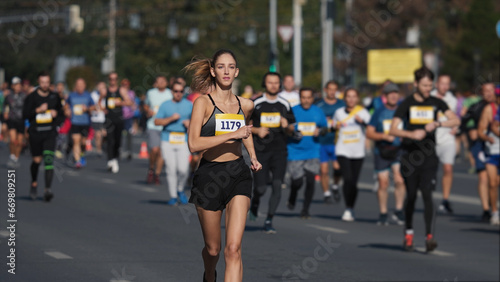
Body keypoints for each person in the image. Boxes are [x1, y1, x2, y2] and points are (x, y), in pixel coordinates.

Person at [185, 49, 262, 282]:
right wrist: (231, 135)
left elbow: (245, 131)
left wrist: (253, 155)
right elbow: (193, 144)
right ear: (212, 71)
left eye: (231, 67)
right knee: (213, 250)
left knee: (233, 249)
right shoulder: (203, 103)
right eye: (221, 67)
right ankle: (210, 275)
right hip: (209, 176)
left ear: (237, 72)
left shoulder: (246, 104)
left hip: (238, 173)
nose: (226, 71)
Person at [389, 67, 459, 252]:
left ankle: (429, 237)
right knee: (411, 195)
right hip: (410, 156)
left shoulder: (437, 102)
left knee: (427, 194)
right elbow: (393, 129)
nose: (428, 88)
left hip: (429, 157)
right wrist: (411, 133)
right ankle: (409, 233)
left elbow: (455, 120)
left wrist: (438, 123)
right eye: (425, 85)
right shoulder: (407, 103)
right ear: (416, 84)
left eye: (430, 85)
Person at [249, 72, 295, 233]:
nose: (273, 85)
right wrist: (257, 130)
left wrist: (287, 126)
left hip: (279, 151)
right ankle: (255, 202)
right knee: (261, 188)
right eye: (270, 82)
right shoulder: (256, 103)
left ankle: (269, 219)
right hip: (261, 151)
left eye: (276, 82)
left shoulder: (284, 104)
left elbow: (291, 128)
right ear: (265, 84)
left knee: (277, 185)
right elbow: (244, 126)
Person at [366, 82, 406, 225]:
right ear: (385, 96)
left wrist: (404, 135)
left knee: (400, 179)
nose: (394, 96)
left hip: (399, 150)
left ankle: (399, 210)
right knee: (383, 183)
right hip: (382, 151)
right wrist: (383, 136)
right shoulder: (379, 112)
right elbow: (369, 132)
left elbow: (410, 129)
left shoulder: (403, 112)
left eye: (396, 93)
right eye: (390, 93)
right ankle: (383, 212)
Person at [22, 71, 64, 201]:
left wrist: (55, 115)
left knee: (48, 160)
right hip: (35, 133)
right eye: (42, 82)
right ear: (38, 83)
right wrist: (37, 110)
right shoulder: (32, 97)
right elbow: (25, 114)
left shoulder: (54, 96)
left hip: (49, 133)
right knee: (36, 161)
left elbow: (62, 114)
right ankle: (34, 182)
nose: (45, 85)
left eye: (47, 82)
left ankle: (47, 189)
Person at [287, 88, 327, 218]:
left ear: (313, 98)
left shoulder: (318, 111)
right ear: (300, 98)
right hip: (295, 151)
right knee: (297, 182)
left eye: (309, 97)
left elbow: (325, 128)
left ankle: (305, 209)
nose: (306, 100)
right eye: (303, 97)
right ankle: (293, 195)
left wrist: (320, 131)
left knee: (310, 180)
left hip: (313, 151)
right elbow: (286, 128)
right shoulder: (293, 111)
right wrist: (292, 132)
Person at [333, 88, 371, 222]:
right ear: (345, 99)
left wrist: (362, 122)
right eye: (348, 96)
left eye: (353, 96)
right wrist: (335, 127)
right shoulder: (338, 112)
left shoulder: (363, 112)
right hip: (342, 150)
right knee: (347, 178)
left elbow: (371, 128)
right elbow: (332, 127)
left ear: (357, 99)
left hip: (358, 151)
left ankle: (351, 207)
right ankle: (347, 208)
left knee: (354, 183)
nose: (351, 99)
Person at [461, 83, 496, 221]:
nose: (488, 93)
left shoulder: (497, 107)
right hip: (480, 144)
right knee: (483, 176)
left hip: (495, 144)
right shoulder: (476, 106)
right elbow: (463, 121)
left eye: (491, 90)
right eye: (485, 91)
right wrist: (471, 131)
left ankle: (494, 206)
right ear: (481, 93)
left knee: (495, 180)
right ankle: (486, 209)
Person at [154, 81, 193, 205]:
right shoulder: (165, 105)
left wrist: (189, 123)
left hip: (183, 139)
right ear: (172, 92)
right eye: (176, 91)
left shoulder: (189, 105)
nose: (178, 94)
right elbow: (156, 122)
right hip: (167, 138)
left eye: (181, 91)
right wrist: (171, 118)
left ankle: (180, 189)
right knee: (171, 168)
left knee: (183, 169)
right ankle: (172, 196)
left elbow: (197, 122)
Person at [431, 74, 458, 214]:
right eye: (442, 83)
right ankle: (428, 198)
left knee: (448, 169)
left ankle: (445, 200)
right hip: (431, 141)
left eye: (447, 84)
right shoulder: (429, 97)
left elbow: (455, 117)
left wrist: (456, 127)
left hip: (447, 139)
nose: (445, 86)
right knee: (431, 172)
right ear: (437, 84)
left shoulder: (452, 99)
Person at [315, 80, 345, 204]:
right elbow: (314, 121)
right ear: (325, 90)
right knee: (324, 170)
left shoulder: (342, 104)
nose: (332, 92)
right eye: (330, 89)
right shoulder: (319, 105)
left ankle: (335, 186)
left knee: (338, 169)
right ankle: (327, 193)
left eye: (334, 89)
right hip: (322, 142)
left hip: (337, 142)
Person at [477, 83, 500, 225]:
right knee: (492, 183)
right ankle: (494, 211)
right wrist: (488, 137)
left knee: (498, 182)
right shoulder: (488, 109)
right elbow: (481, 130)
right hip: (492, 151)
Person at [144, 75, 172, 184]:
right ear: (155, 83)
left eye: (163, 81)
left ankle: (157, 174)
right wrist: (148, 111)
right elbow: (145, 105)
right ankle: (151, 168)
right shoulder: (151, 93)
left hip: (166, 126)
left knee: (161, 152)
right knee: (154, 150)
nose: (161, 82)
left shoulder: (170, 93)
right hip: (153, 125)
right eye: (159, 81)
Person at [103, 72, 132, 173]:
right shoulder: (104, 91)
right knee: (110, 140)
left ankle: (115, 157)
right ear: (108, 80)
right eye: (111, 79)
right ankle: (111, 160)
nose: (113, 81)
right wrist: (102, 109)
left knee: (118, 140)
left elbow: (129, 102)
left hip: (119, 119)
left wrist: (120, 103)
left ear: (117, 80)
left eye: (115, 79)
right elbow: (98, 102)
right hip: (109, 119)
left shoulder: (122, 90)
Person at [66, 78, 95, 168]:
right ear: (76, 86)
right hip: (75, 121)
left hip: (85, 122)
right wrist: (67, 110)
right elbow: (66, 105)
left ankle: (81, 154)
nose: (80, 87)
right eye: (78, 85)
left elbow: (94, 107)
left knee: (83, 142)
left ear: (84, 86)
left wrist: (87, 109)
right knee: (76, 140)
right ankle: (77, 161)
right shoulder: (72, 95)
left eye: (81, 85)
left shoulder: (88, 96)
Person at [3, 77, 27, 168]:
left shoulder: (24, 96)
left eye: (19, 85)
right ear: (13, 86)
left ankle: (16, 158)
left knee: (20, 141)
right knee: (13, 139)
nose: (18, 87)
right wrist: (5, 112)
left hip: (21, 120)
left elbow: (27, 107)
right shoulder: (9, 96)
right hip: (12, 119)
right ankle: (12, 156)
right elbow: (5, 105)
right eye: (16, 85)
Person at [120, 79, 137, 160]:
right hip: (120, 115)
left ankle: (128, 151)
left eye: (127, 84)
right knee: (119, 134)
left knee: (129, 134)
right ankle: (118, 149)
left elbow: (133, 103)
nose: (125, 86)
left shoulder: (131, 93)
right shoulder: (119, 92)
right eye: (124, 84)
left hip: (129, 116)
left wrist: (133, 106)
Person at [90, 82, 107, 157]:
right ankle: (98, 149)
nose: (101, 89)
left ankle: (102, 145)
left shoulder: (107, 95)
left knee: (105, 134)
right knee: (98, 135)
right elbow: (93, 105)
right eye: (100, 87)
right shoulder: (93, 95)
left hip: (104, 118)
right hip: (96, 118)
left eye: (103, 87)